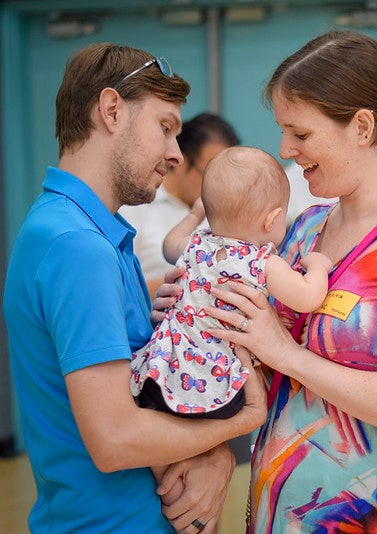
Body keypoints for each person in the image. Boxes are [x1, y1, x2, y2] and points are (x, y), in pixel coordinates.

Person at [193, 30, 377, 532]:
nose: (285, 148)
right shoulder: (304, 228)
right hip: (280, 510)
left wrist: (286, 354)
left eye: (300, 134)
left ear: (362, 127)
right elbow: (256, 360)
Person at [2, 42, 267, 533]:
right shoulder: (77, 245)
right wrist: (242, 422)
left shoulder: (92, 231)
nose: (174, 154)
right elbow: (116, 439)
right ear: (110, 110)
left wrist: (213, 457)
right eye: (165, 128)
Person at [132, 146, 331, 421]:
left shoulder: (196, 244)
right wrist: (319, 266)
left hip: (163, 373)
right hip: (219, 387)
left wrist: (193, 215)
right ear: (272, 219)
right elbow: (308, 297)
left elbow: (168, 247)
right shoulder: (261, 263)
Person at [119, 112, 240, 300]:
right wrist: (191, 278)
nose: (218, 184)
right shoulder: (136, 205)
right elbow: (120, 287)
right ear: (182, 162)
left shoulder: (223, 213)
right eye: (210, 174)